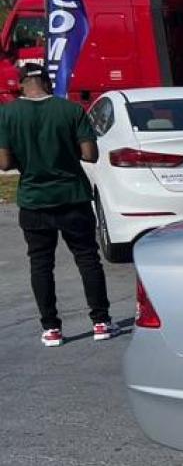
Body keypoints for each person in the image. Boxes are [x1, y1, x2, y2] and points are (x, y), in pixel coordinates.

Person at [0, 63, 113, 346]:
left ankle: (51, 328)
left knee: (40, 264)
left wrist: (23, 159)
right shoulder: (71, 110)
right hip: (72, 196)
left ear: (21, 85)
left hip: (34, 200)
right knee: (87, 258)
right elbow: (89, 154)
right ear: (48, 83)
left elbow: (3, 163)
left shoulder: (7, 113)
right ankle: (100, 321)